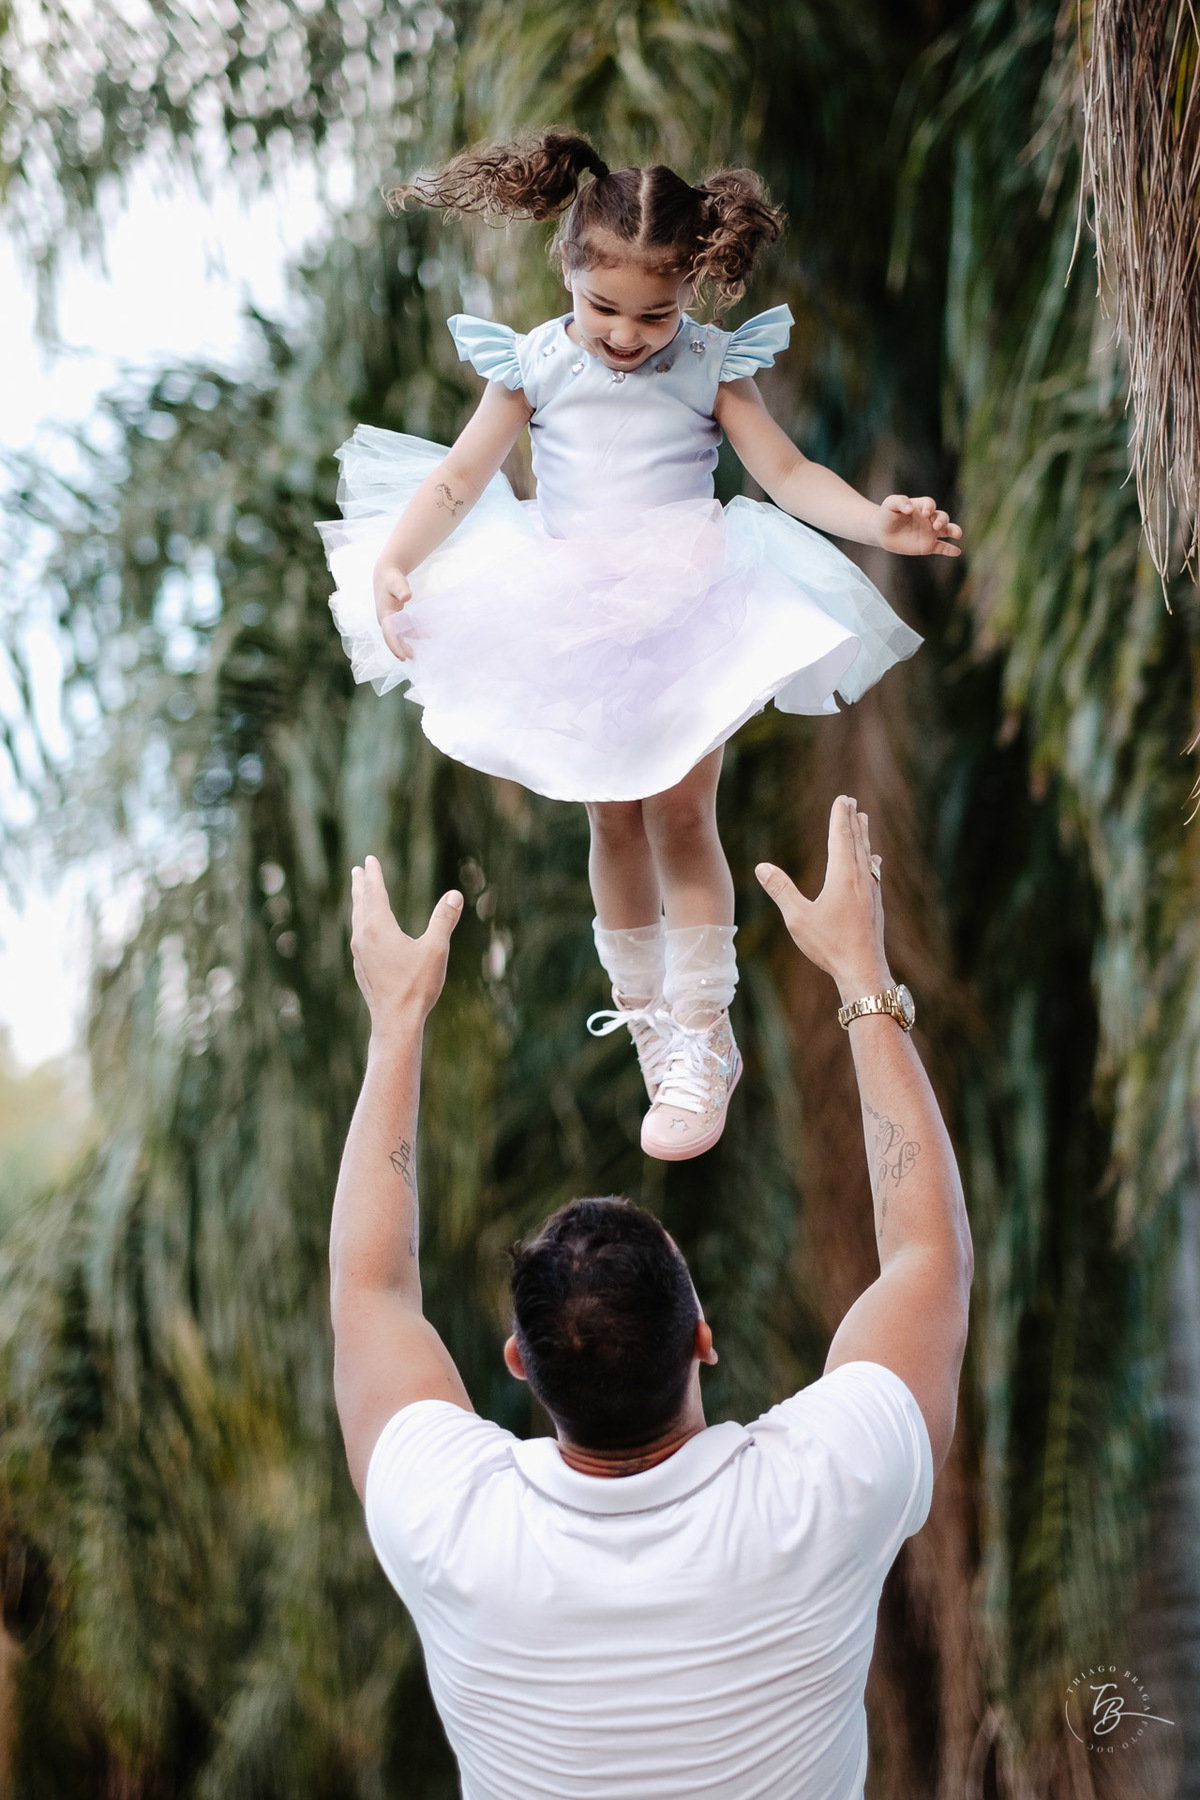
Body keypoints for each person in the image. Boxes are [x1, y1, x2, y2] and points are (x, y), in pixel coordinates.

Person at [317, 133, 962, 1162]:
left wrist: (879, 523)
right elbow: (458, 480)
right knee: (612, 821)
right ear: (569, 274)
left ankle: (704, 1024)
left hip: (685, 600)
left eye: (653, 313)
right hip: (569, 605)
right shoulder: (531, 364)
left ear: (690, 289)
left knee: (678, 808)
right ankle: (649, 1021)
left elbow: (786, 476)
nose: (625, 335)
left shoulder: (710, 363)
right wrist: (398, 557)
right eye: (602, 309)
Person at [330, 794, 973, 1800]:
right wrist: (862, 974)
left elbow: (369, 1292)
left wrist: (395, 1026)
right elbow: (929, 1256)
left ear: (522, 1367)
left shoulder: (454, 1528)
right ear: (703, 1341)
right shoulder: (817, 1495)